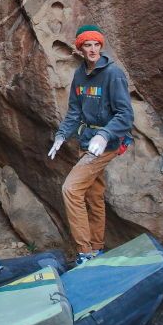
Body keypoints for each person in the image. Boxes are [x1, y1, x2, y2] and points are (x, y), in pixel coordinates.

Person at [47, 25, 134, 266]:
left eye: (97, 44)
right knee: (94, 195)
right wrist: (62, 136)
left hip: (106, 144)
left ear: (101, 46)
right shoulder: (80, 75)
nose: (93, 49)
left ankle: (84, 252)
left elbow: (125, 115)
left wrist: (105, 135)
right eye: (88, 45)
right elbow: (74, 111)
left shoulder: (113, 74)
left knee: (71, 190)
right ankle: (97, 248)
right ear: (80, 49)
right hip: (86, 142)